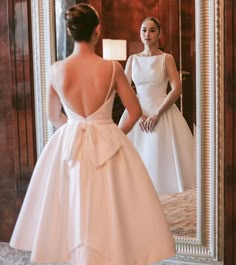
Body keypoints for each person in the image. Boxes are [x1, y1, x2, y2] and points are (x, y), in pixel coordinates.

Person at [10, 5, 175, 265]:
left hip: (69, 141)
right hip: (108, 141)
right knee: (109, 206)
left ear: (69, 31)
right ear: (97, 30)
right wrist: (112, 134)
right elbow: (133, 112)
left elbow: (54, 116)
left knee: (72, 201)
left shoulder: (56, 69)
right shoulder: (111, 68)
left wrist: (74, 128)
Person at [119, 17, 196, 195]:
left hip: (162, 111)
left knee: (160, 154)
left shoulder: (166, 58)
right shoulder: (133, 59)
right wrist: (138, 114)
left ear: (159, 34)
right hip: (137, 113)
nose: (147, 34)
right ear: (140, 33)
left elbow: (177, 88)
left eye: (152, 30)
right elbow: (124, 90)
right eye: (144, 30)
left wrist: (157, 114)